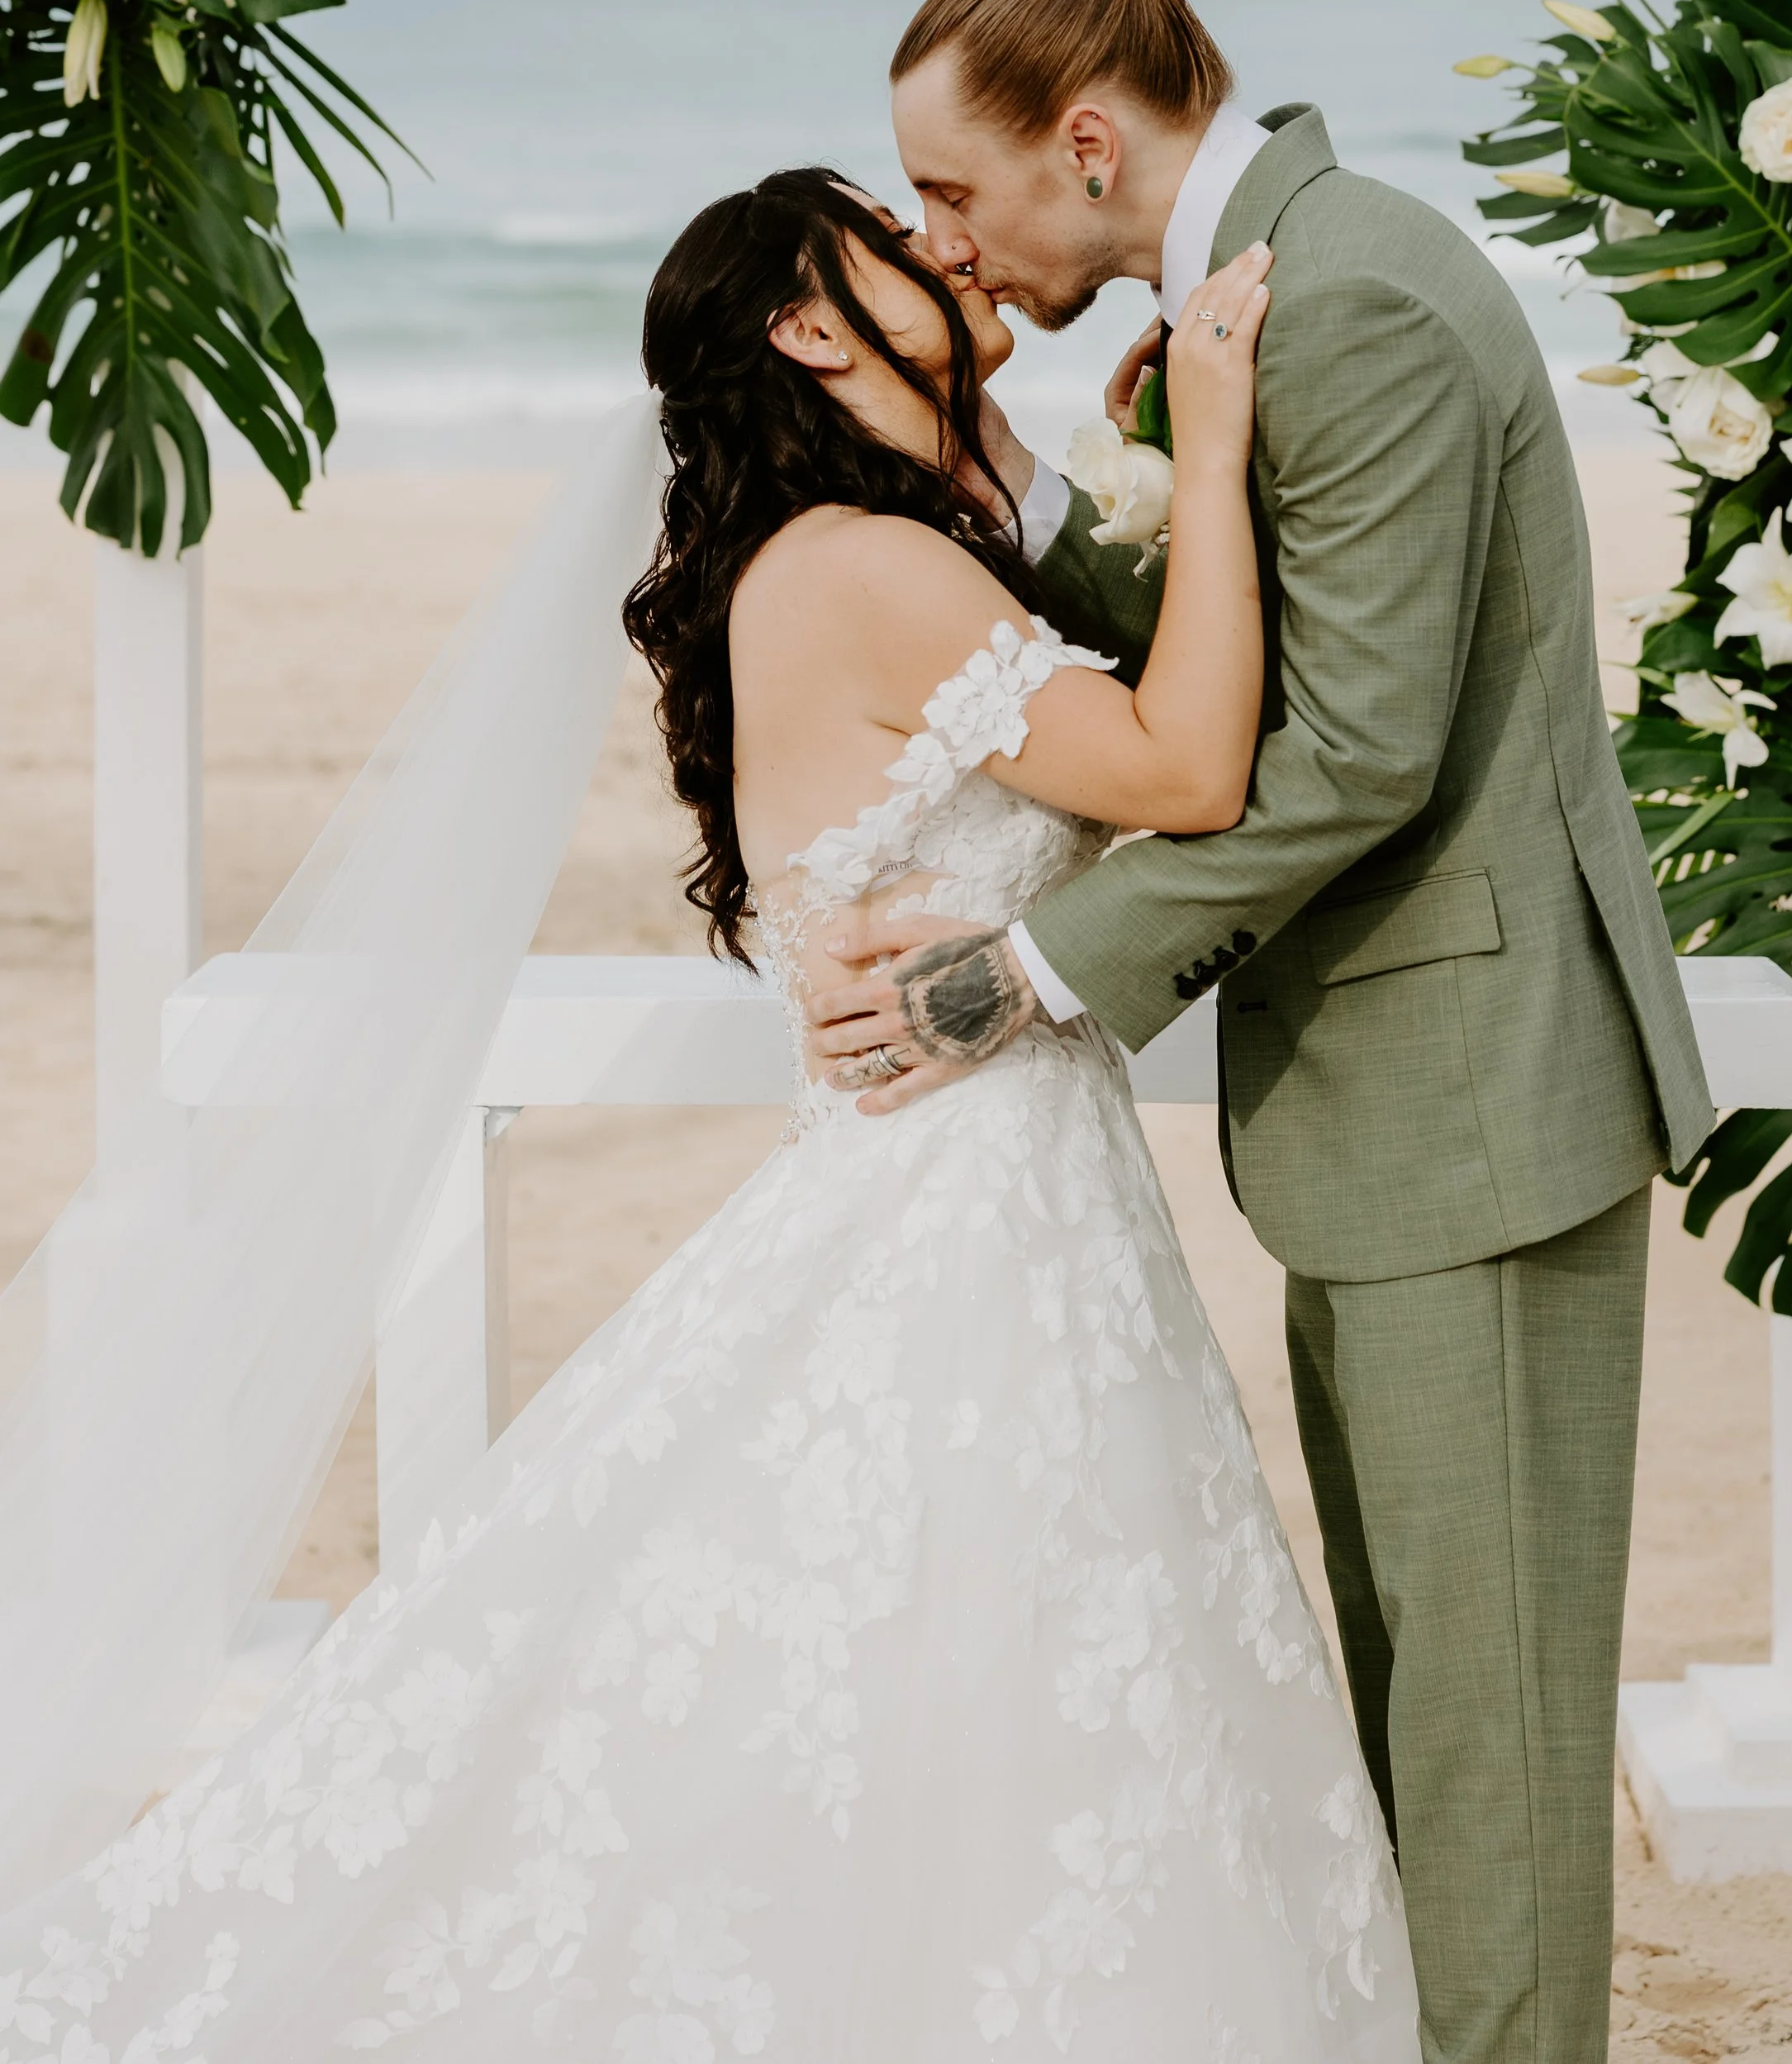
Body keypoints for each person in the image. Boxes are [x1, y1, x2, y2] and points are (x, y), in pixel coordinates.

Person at [0, 166, 1416, 2063]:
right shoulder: (864, 566)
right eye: (891, 241)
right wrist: (1223, 453)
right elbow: (1180, 763)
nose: (943, 249)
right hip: (964, 1208)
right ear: (810, 331)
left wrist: (1068, 451)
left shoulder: (875, 549)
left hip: (984, 1178)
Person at [808, 0, 1718, 2064]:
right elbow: (1228, 635)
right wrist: (1023, 473)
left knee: (1482, 1751)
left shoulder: (1361, 297)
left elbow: (1358, 744)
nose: (941, 239)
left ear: (1091, 143)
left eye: (954, 188)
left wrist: (1018, 968)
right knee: (1418, 1695)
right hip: (1399, 1113)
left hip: (1479, 1103)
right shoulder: (1259, 307)